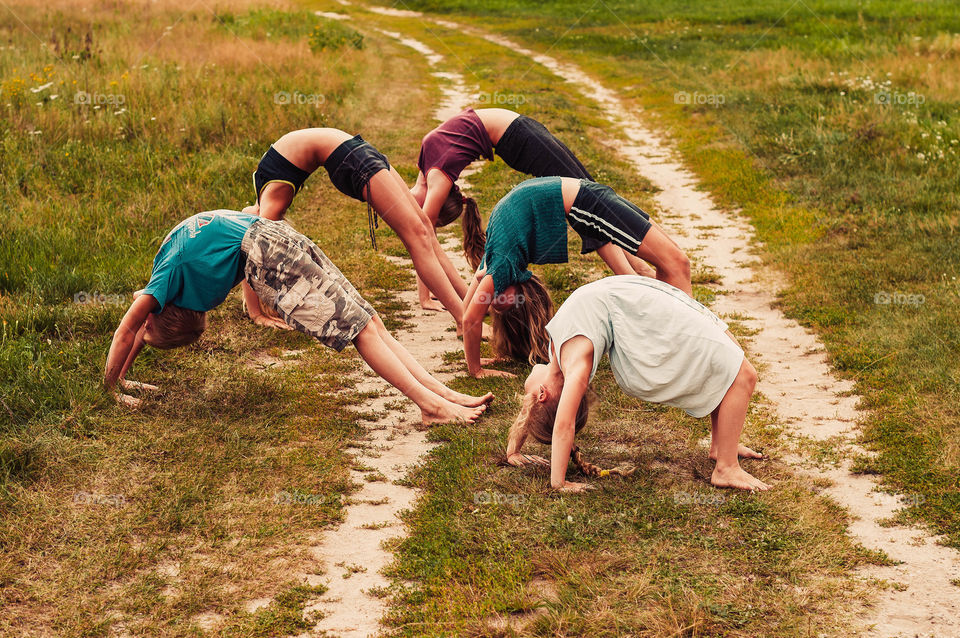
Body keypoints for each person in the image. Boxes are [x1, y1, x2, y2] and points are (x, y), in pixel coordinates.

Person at [103, 210, 492, 425]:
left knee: (359, 328)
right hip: (277, 235)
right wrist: (123, 378)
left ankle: (432, 405)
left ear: (158, 314)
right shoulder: (161, 285)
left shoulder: (162, 286)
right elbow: (139, 327)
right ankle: (441, 395)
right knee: (368, 320)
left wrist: (109, 388)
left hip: (266, 253)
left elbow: (127, 330)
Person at [505, 275, 769, 493]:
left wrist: (513, 452)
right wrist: (558, 482)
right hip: (640, 308)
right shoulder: (575, 366)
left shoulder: (557, 354)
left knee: (731, 354)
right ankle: (725, 468)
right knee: (743, 374)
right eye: (527, 399)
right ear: (542, 395)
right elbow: (563, 424)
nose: (524, 403)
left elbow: (535, 412)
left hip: (639, 298)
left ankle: (722, 447)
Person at [409, 107, 655, 310]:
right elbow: (424, 241)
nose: (412, 206)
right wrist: (425, 297)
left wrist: (461, 303)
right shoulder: (428, 166)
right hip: (520, 133)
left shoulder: (437, 177)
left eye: (420, 207)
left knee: (590, 203)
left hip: (520, 136)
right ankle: (636, 272)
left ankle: (634, 275)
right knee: (591, 199)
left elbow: (425, 239)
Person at [461, 176, 691, 378]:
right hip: (586, 200)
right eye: (502, 303)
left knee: (676, 263)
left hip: (587, 202)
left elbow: (470, 318)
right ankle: (676, 347)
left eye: (495, 298)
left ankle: (682, 350)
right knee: (676, 262)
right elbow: (469, 310)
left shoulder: (499, 266)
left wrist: (475, 369)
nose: (493, 297)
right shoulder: (496, 265)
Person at [245, 127, 469, 332]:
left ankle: (464, 318)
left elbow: (251, 247)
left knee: (419, 234)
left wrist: (256, 313)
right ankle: (467, 309)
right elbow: (248, 234)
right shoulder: (265, 189)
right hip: (355, 146)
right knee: (422, 230)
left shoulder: (271, 205)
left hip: (349, 155)